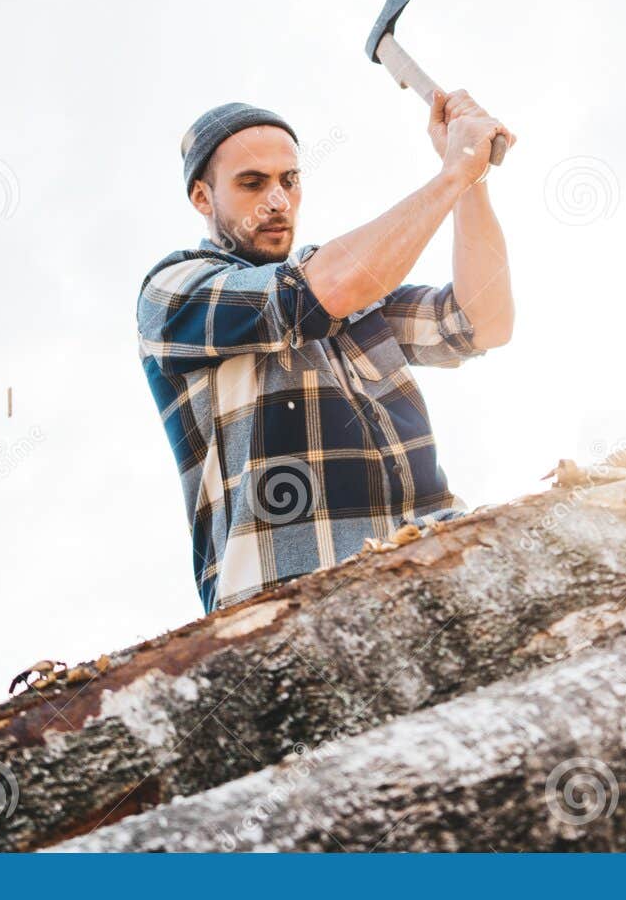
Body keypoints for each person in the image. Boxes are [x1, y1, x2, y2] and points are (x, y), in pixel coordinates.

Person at [136, 91, 516, 613]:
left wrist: (472, 182)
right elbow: (313, 295)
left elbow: (483, 322)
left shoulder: (357, 293)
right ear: (203, 197)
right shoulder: (176, 289)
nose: (278, 200)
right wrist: (451, 174)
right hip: (285, 601)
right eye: (252, 183)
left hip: (437, 573)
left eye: (289, 180)